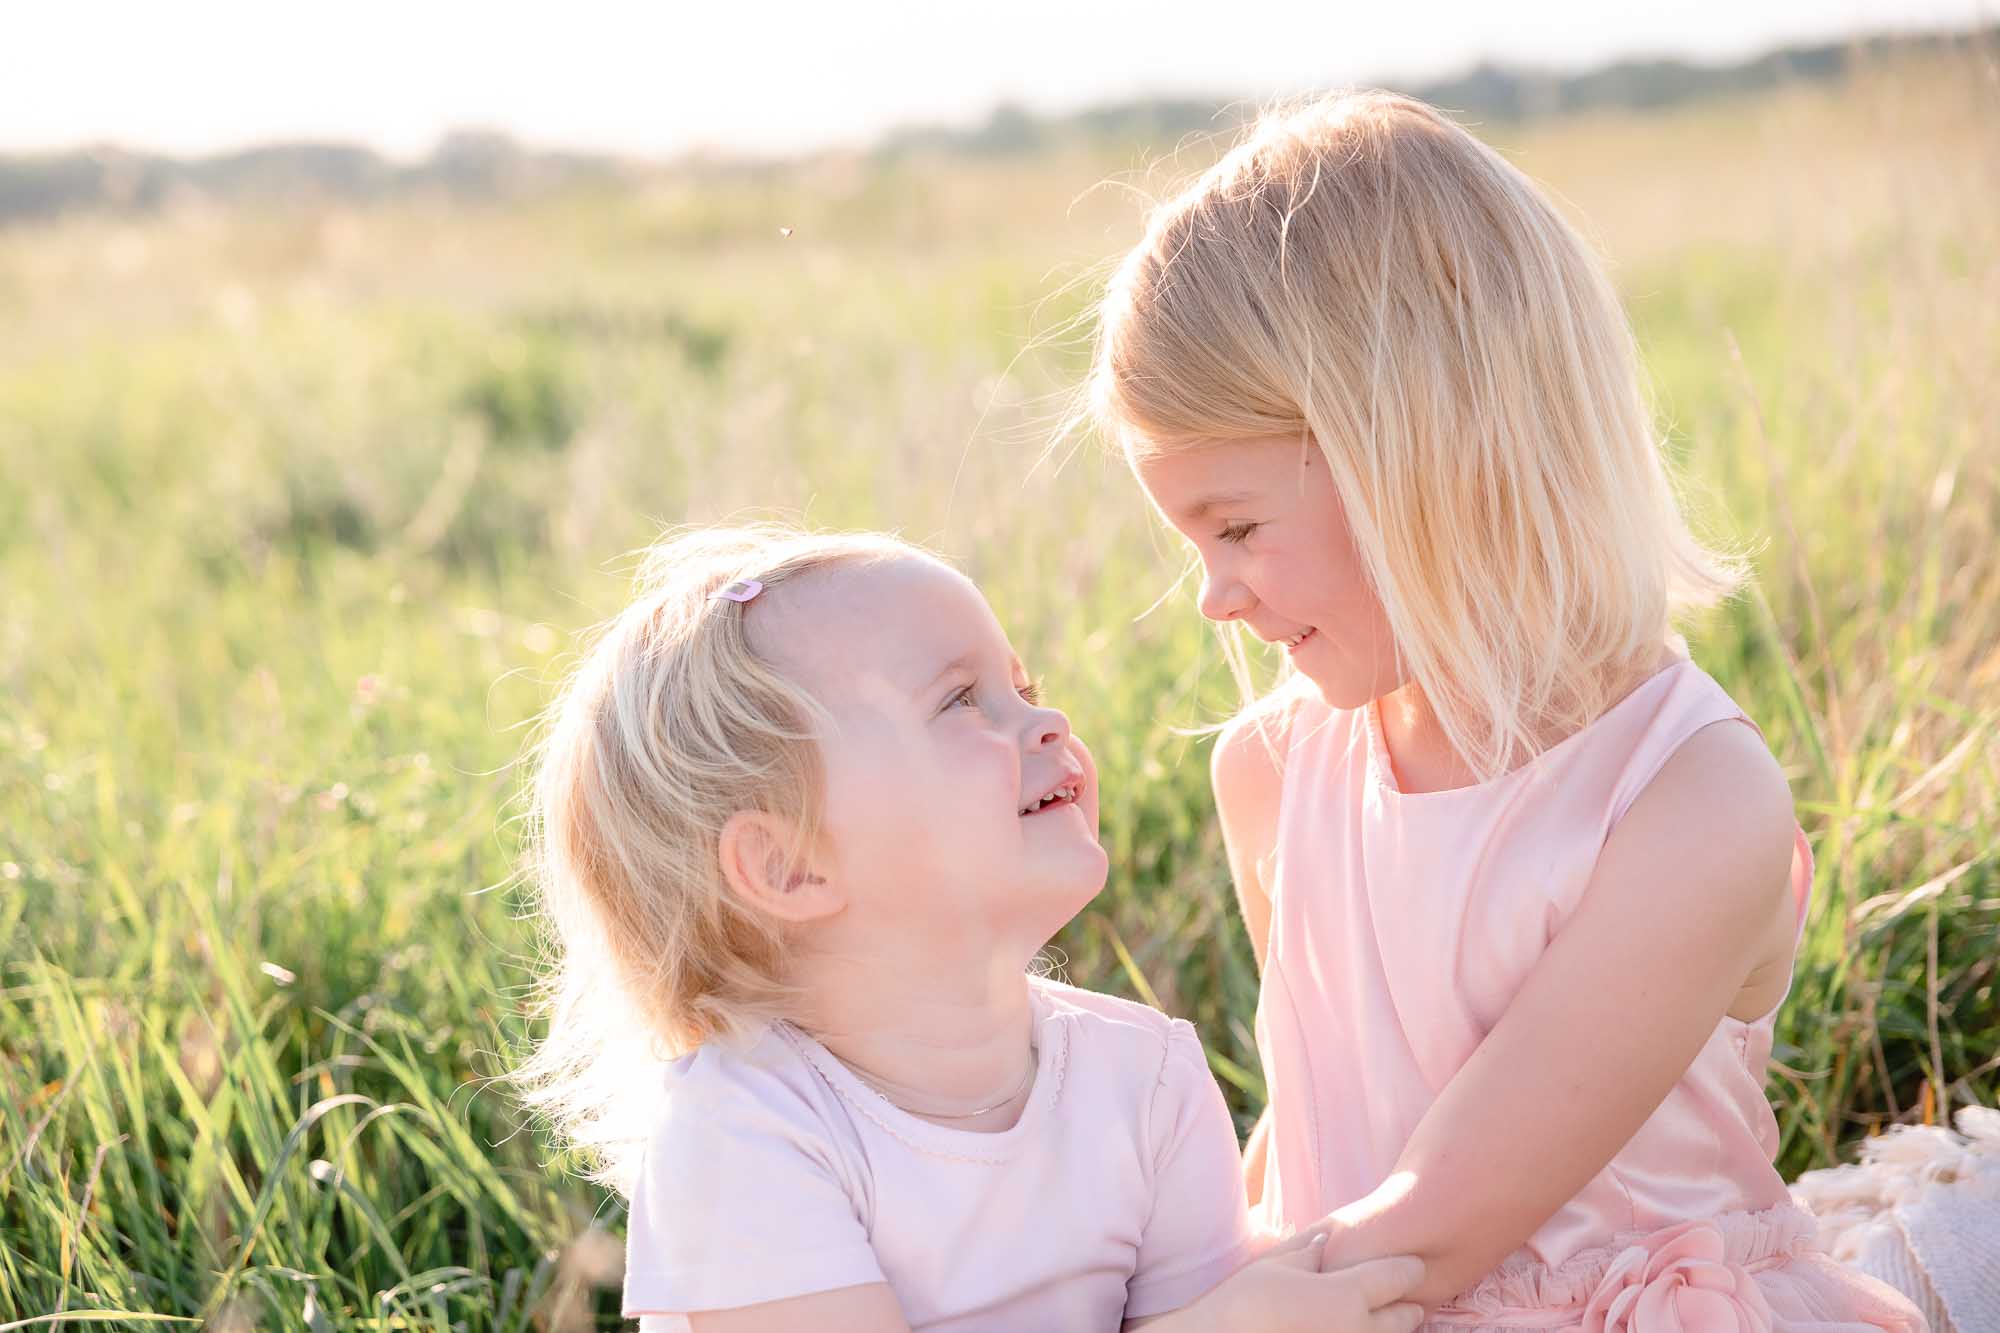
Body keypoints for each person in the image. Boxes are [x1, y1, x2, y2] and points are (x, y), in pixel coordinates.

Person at [1087, 90, 1927, 1331]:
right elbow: (1315, 1124)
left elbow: (1439, 1218)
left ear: (1423, 453)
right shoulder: (1273, 769)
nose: (1212, 595)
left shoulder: (1685, 799)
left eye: (1239, 526)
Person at [510, 523, 1427, 1332]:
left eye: (1023, 686)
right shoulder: (745, 1127)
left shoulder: (1144, 1078)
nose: (1045, 720)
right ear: (790, 865)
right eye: (959, 701)